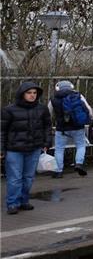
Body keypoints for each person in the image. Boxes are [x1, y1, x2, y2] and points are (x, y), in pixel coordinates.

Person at [1, 81, 52, 215]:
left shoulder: (42, 109)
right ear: (22, 94)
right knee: (15, 178)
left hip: (34, 148)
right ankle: (13, 203)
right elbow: (2, 131)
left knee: (28, 177)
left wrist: (47, 142)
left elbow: (47, 126)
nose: (32, 95)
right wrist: (1, 149)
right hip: (14, 149)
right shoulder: (9, 110)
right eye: (29, 93)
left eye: (34, 93)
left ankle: (24, 201)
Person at [47, 80, 93, 178]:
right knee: (81, 145)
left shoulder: (53, 99)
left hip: (61, 128)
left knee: (59, 149)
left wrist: (50, 125)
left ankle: (59, 171)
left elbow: (48, 114)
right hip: (78, 127)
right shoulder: (78, 96)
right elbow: (88, 109)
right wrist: (90, 118)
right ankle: (78, 163)